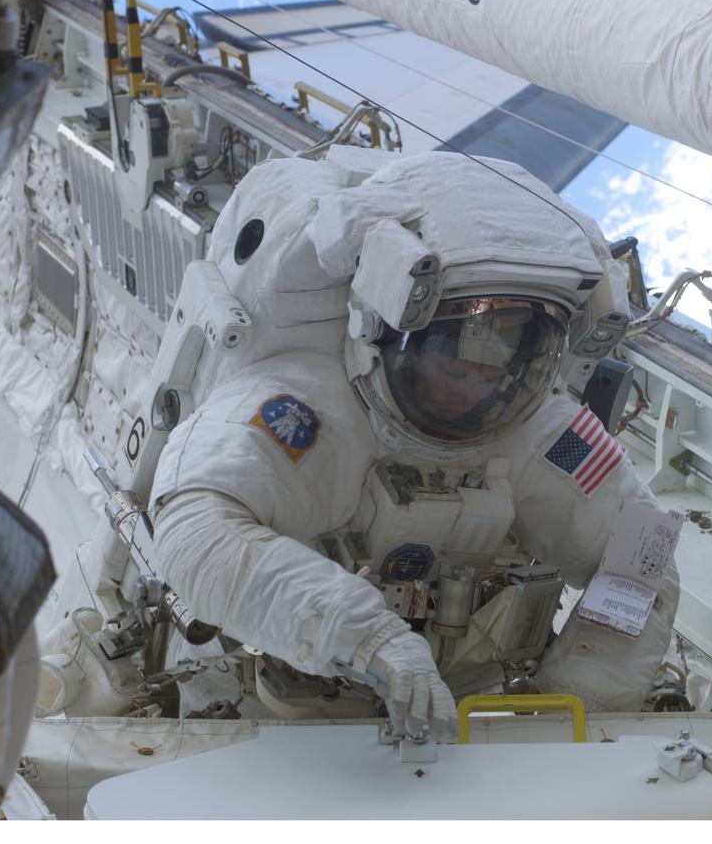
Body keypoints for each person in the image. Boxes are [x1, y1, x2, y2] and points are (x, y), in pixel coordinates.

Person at [147, 148, 681, 741]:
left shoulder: (548, 433)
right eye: (449, 358)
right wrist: (370, 640)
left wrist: (571, 708)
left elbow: (641, 563)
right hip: (294, 694)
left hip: (469, 705)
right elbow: (195, 529)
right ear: (379, 327)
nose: (471, 387)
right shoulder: (305, 405)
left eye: (500, 361)